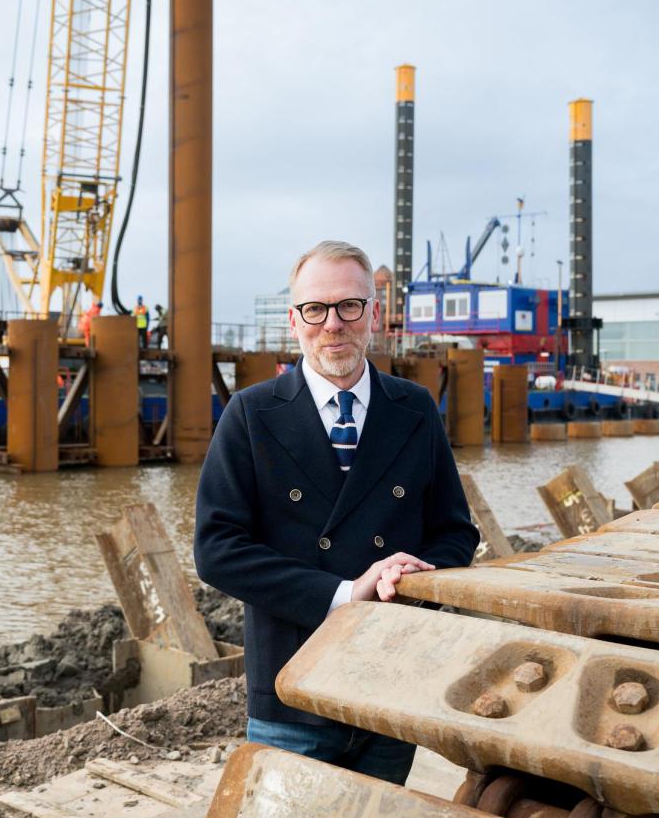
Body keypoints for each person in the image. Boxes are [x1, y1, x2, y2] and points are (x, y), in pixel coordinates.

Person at [194, 240, 478, 786]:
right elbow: (216, 549)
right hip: (292, 685)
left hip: (390, 681)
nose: (333, 325)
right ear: (294, 320)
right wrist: (346, 594)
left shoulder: (413, 409)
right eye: (315, 310)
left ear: (375, 314)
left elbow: (454, 531)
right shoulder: (252, 414)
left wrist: (407, 575)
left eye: (349, 306)